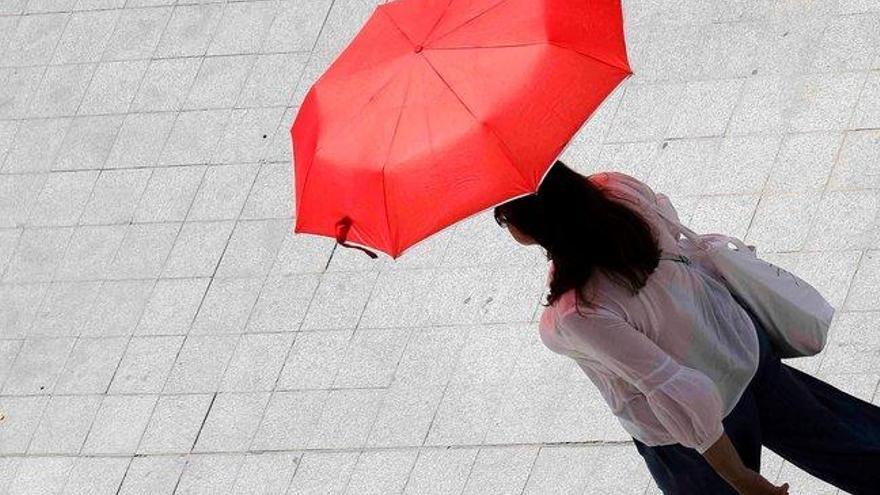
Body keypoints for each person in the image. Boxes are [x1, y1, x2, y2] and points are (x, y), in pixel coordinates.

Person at [493, 159, 880, 494]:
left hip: (699, 434)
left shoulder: (578, 311)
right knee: (840, 440)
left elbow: (677, 390)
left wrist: (742, 481)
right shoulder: (617, 190)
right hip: (739, 347)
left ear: (530, 228)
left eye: (504, 218)